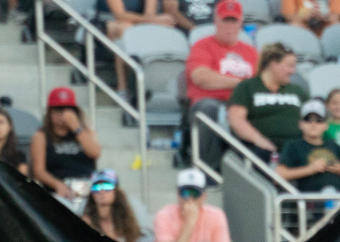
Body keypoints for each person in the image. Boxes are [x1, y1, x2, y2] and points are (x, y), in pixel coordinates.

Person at [184, 0, 256, 171]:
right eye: (225, 20)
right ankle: (209, 171)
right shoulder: (203, 46)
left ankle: (253, 171)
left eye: (234, 21)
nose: (229, 26)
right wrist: (239, 84)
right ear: (215, 21)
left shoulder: (251, 52)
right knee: (211, 109)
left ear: (241, 23)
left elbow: (261, 83)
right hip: (207, 102)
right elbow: (201, 77)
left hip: (241, 104)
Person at [229, 42, 309, 161]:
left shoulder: (297, 90)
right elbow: (236, 119)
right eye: (290, 66)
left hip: (296, 147)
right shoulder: (247, 87)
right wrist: (259, 140)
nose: (293, 71)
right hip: (260, 148)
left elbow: (314, 117)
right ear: (273, 64)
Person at [277, 98, 340, 195]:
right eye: (308, 120)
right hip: (313, 201)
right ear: (300, 124)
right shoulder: (293, 146)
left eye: (319, 120)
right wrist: (310, 169)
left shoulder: (332, 144)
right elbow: (279, 173)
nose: (313, 124)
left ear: (325, 125)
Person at [31, 86, 100, 199]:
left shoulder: (85, 132)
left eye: (67, 109)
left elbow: (95, 153)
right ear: (50, 112)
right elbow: (39, 171)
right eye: (58, 109)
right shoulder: (41, 136)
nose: (62, 114)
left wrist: (76, 127)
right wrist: (57, 184)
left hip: (85, 185)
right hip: (58, 188)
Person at [100, 0, 173, 101]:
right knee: (125, 28)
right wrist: (154, 20)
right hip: (110, 23)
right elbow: (120, 16)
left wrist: (155, 21)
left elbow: (150, 16)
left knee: (166, 27)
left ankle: (157, 85)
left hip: (137, 23)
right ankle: (123, 88)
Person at [153, 167, 232, 242]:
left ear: (204, 196)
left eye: (195, 193)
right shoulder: (164, 216)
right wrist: (189, 224)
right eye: (185, 193)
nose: (190, 199)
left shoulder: (216, 216)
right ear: (178, 195)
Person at [80, 168, 142, 242]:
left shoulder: (126, 221)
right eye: (96, 187)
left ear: (116, 191)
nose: (101, 191)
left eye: (107, 187)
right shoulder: (87, 223)